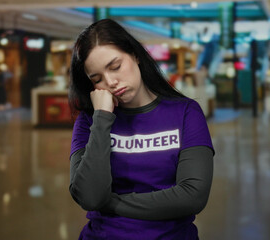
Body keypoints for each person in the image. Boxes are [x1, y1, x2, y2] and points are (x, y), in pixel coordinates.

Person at [68, 19, 215, 240]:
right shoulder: (89, 121)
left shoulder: (185, 113)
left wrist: (110, 202)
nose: (111, 81)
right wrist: (102, 119)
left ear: (135, 55)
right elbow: (90, 197)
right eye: (97, 79)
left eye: (115, 66)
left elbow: (192, 197)